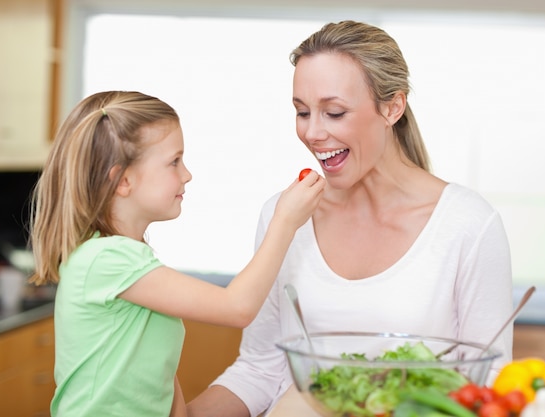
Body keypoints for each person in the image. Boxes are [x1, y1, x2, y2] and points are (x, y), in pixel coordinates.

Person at [187, 20, 513, 417]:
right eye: (302, 112)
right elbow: (260, 368)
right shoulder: (286, 214)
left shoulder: (467, 224)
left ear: (393, 107)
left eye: (335, 112)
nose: (312, 132)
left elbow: (489, 381)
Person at [28, 90, 325, 417]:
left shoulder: (130, 258)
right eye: (174, 162)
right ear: (123, 180)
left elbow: (157, 381)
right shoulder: (106, 258)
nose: (187, 174)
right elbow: (237, 308)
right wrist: (285, 222)